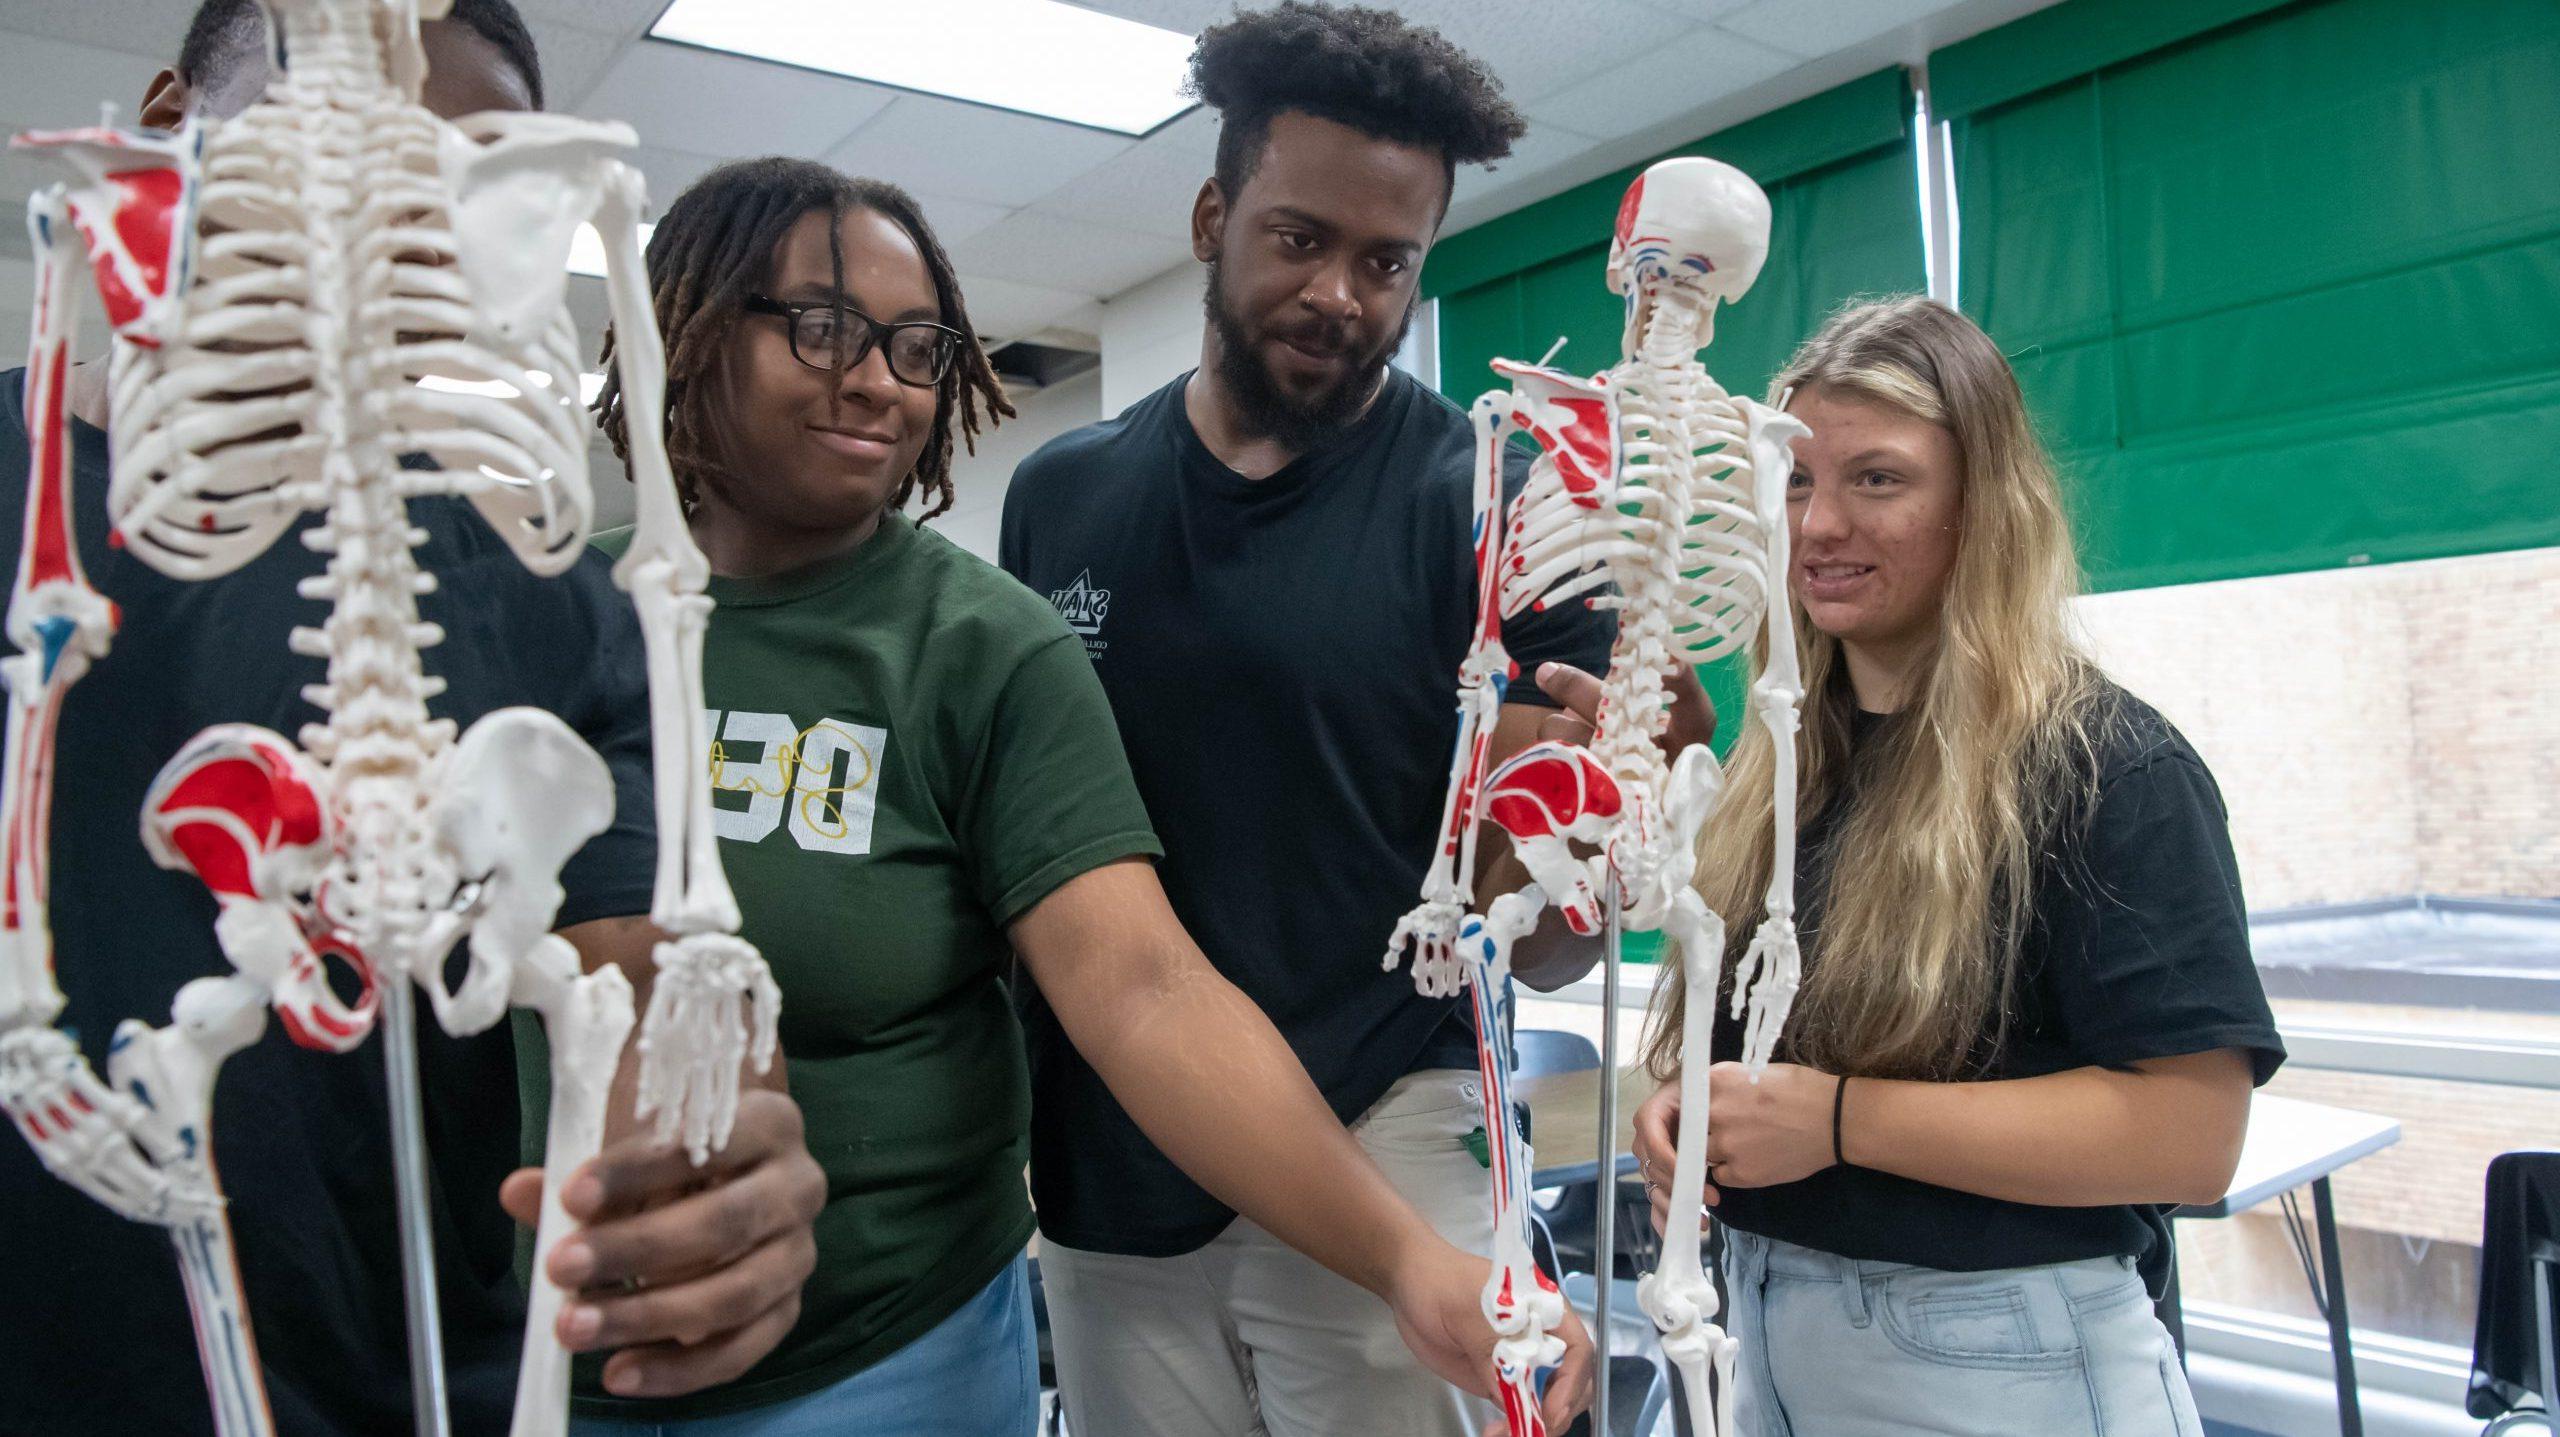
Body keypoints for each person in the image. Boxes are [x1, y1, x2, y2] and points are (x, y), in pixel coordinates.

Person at [543, 153, 1592, 1437]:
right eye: (820, 329)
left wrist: (1408, 1258)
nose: (876, 379)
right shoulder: (534, 623)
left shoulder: (981, 645)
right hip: (555, 1344)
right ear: (686, 334)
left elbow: (1141, 985)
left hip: (898, 1342)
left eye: (919, 346)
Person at [0, 4, 826, 1435]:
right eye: (323, 176)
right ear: (165, 135)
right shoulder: (31, 522)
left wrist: (700, 1149)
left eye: (441, 194)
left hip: (416, 1381)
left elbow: (628, 962)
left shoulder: (556, 596)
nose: (371, 248)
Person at [998, 5, 1708, 1434]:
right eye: (1300, 238)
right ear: (1214, 215)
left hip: (1394, 1130)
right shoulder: (1061, 497)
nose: (1340, 292)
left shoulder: (1506, 505)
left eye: (1387, 261)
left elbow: (1563, 948)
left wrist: (1601, 838)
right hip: (1116, 1162)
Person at [1629, 296, 2285, 1436]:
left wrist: (1838, 1124)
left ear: (1981, 505)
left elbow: (2191, 1140)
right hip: (1751, 1321)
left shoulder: (2107, 768)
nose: (1818, 525)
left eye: (1876, 480)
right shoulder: (1778, 765)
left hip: (1992, 1354)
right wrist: (1697, 1115)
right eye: (1792, 481)